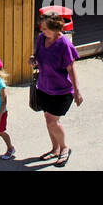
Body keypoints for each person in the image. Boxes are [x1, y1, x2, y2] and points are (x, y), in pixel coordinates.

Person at [28, 9, 82, 167]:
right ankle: (55, 149)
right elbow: (37, 56)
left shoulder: (64, 44)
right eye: (41, 28)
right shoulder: (41, 38)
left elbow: (71, 69)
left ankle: (64, 148)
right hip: (44, 87)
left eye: (45, 28)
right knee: (48, 119)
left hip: (62, 90)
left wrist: (77, 92)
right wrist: (33, 59)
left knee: (52, 121)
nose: (42, 30)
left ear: (56, 28)